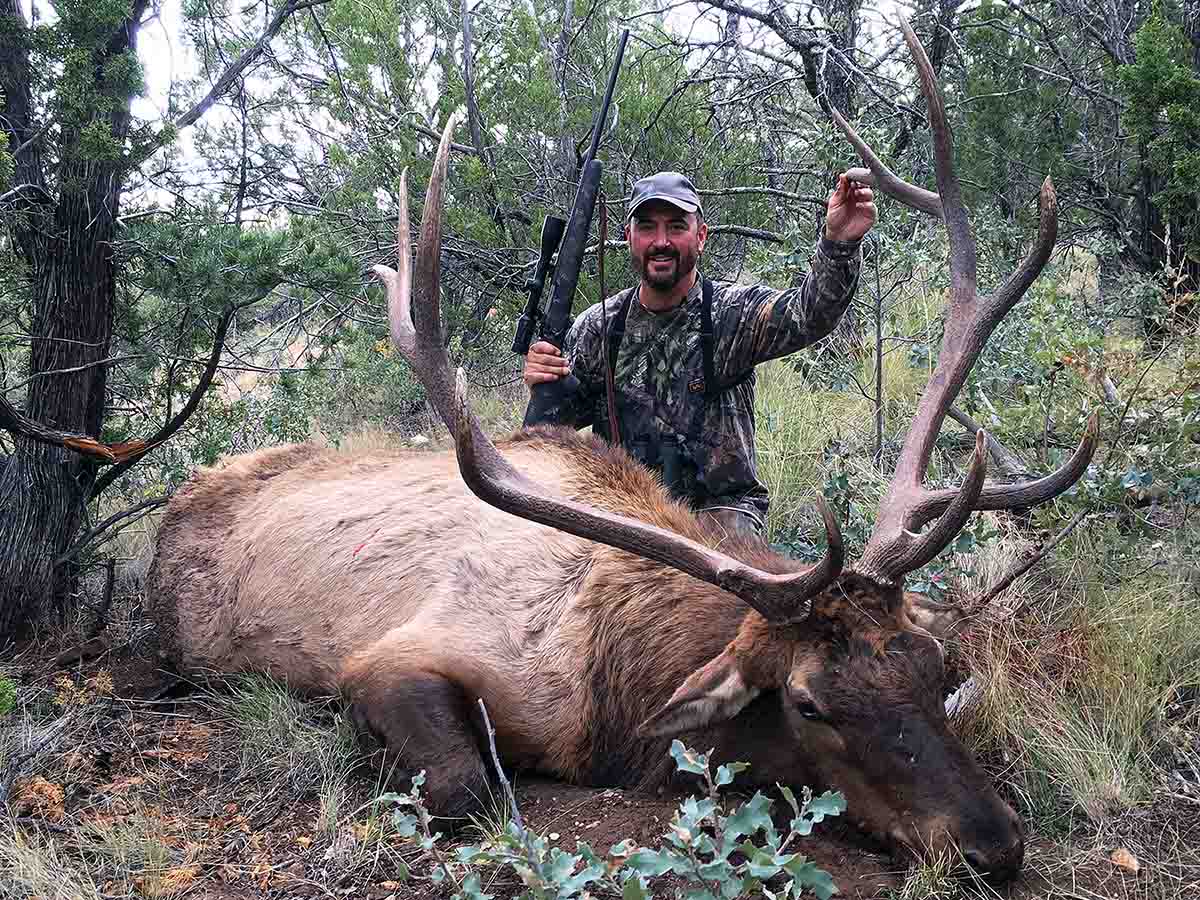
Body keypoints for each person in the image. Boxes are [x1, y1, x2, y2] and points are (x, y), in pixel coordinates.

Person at [523, 170, 876, 535]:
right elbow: (550, 432)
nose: (661, 241)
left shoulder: (731, 314)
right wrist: (544, 379)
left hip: (719, 514)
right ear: (629, 237)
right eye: (647, 227)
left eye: (676, 226)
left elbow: (809, 314)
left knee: (729, 587)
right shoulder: (598, 327)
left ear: (701, 236)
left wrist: (838, 243)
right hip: (624, 511)